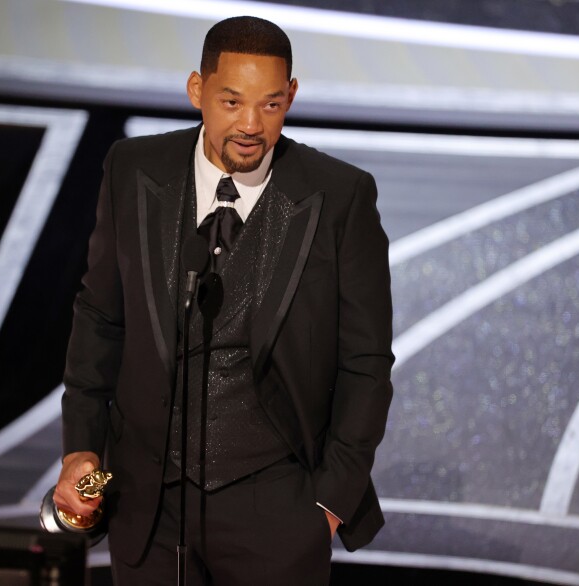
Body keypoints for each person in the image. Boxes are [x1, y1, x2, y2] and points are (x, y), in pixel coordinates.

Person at [54, 15, 393, 585]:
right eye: (232, 101)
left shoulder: (339, 196)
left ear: (291, 97)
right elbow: (100, 318)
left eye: (270, 105)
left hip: (277, 510)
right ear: (197, 91)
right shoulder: (133, 170)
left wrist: (328, 504)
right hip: (148, 503)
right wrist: (80, 451)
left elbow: (365, 362)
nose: (251, 125)